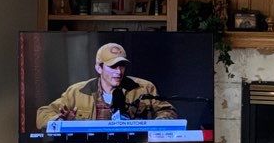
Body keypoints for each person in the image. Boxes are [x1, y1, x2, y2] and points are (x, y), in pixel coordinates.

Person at [36, 42, 175, 129]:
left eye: (122, 66)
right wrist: (62, 122)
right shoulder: (78, 91)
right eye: (113, 66)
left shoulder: (144, 88)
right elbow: (43, 113)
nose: (118, 72)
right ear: (99, 68)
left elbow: (168, 112)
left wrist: (156, 124)